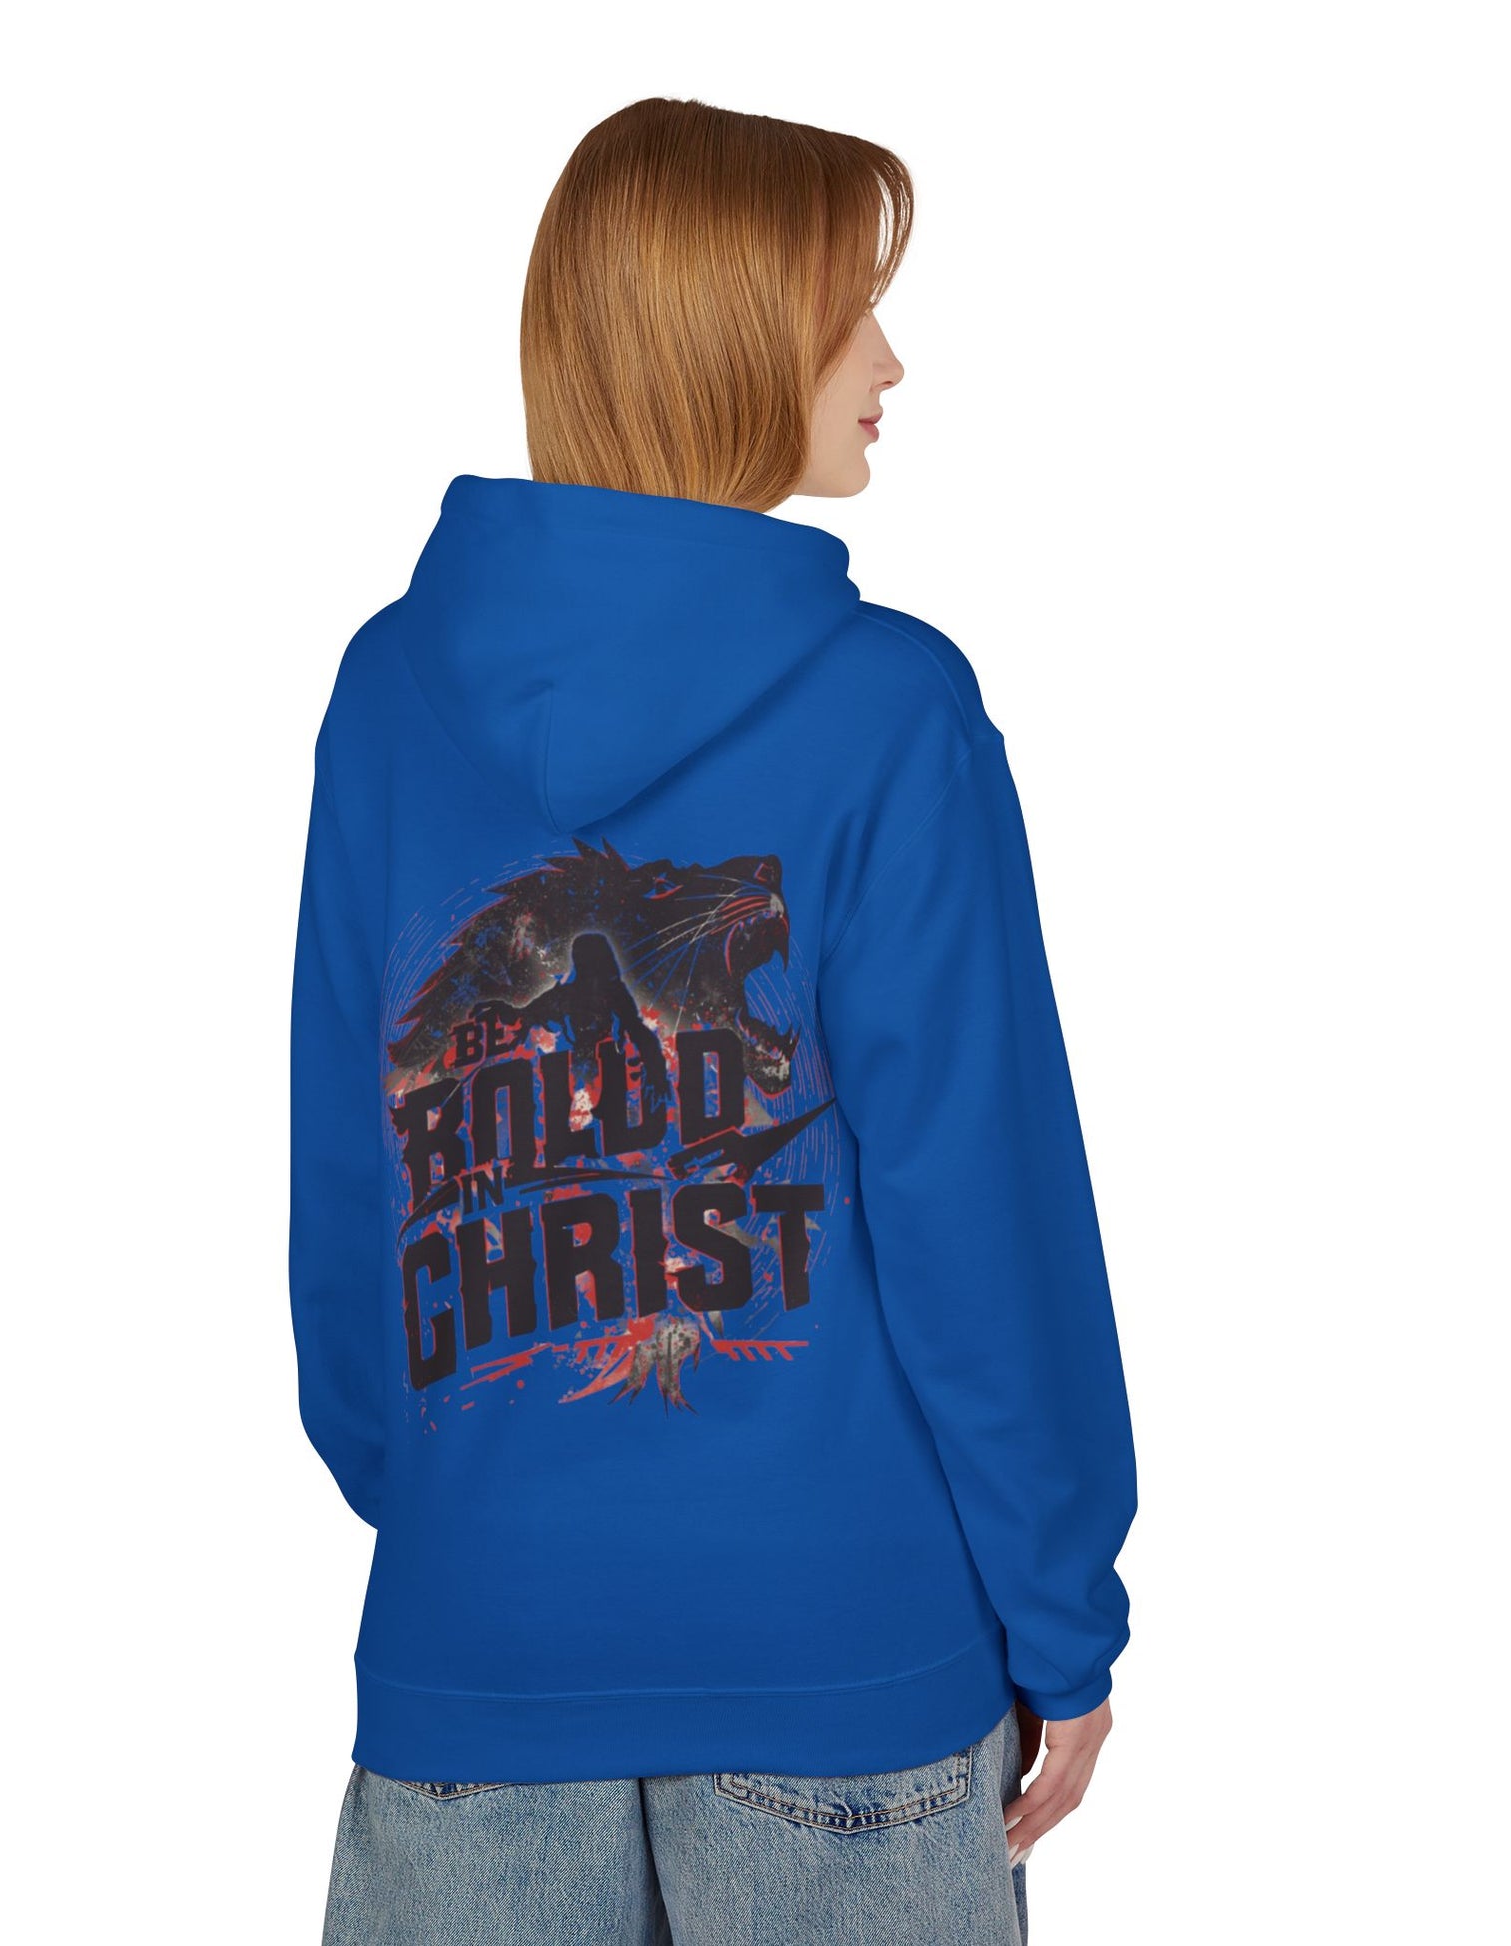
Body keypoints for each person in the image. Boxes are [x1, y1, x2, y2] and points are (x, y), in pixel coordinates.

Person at [291, 95, 1137, 1946]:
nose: (889, 359)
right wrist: (1060, 1607)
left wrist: (469, 1516)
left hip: (472, 1657)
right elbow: (977, 1208)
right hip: (841, 1660)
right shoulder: (889, 709)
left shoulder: (386, 689)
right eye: (849, 310)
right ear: (732, 338)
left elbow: (351, 1187)